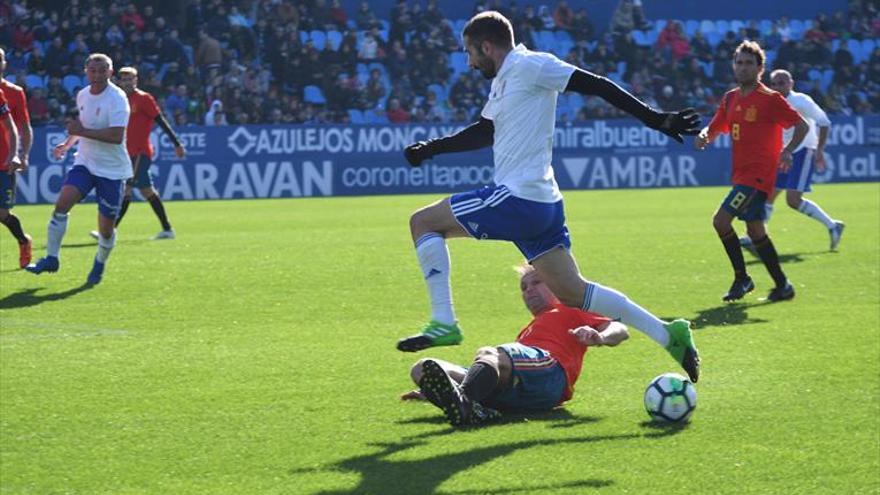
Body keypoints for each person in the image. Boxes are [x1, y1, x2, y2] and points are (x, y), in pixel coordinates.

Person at [396, 11, 701, 383]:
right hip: (540, 204)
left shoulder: (531, 65)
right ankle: (669, 335)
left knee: (423, 222)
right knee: (573, 293)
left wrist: (653, 118)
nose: (469, 62)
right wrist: (432, 148)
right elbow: (485, 131)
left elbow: (597, 85)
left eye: (470, 53)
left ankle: (443, 321)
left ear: (487, 46)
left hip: (519, 197)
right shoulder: (504, 80)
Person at [402, 264, 630, 427]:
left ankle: (464, 403)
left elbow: (620, 330)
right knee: (421, 367)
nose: (528, 290)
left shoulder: (572, 307)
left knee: (489, 353)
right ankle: (468, 403)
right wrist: (433, 388)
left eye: (536, 282)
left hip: (551, 372)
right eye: (524, 287)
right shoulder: (528, 331)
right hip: (519, 389)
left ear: (556, 284)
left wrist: (599, 337)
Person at [695, 41, 809, 303]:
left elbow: (800, 126)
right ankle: (783, 286)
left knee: (720, 221)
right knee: (756, 230)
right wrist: (703, 136)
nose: (743, 67)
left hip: (757, 177)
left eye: (749, 63)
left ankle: (741, 278)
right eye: (739, 62)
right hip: (741, 174)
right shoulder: (730, 98)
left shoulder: (770, 99)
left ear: (760, 68)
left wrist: (788, 150)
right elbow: (713, 128)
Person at [26, 53, 132, 285]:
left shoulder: (117, 98)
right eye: (93, 70)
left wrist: (81, 133)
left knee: (105, 230)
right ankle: (52, 258)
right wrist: (68, 143)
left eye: (102, 70)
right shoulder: (83, 95)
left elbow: (116, 136)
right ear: (86, 71)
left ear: (110, 72)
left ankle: (100, 263)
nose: (97, 74)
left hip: (112, 170)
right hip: (85, 161)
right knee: (62, 204)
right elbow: (83, 127)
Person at [739, 69, 844, 252]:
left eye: (782, 82)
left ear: (791, 83)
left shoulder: (801, 101)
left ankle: (833, 225)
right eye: (775, 84)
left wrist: (819, 150)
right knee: (768, 194)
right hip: (783, 154)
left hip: (803, 152)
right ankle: (753, 237)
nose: (778, 87)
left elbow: (824, 122)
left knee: (793, 200)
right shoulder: (770, 102)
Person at [88, 67, 185, 241]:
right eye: (124, 79)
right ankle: (167, 229)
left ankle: (109, 231)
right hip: (125, 153)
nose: (127, 82)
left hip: (140, 152)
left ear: (136, 81)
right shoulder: (118, 99)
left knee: (126, 190)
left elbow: (160, 121)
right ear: (119, 81)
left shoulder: (143, 99)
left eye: (130, 79)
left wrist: (176, 143)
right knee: (148, 191)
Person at [0, 47, 31, 268]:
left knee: (2, 214)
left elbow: (22, 127)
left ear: (4, 63)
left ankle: (23, 240)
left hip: (4, 161)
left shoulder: (13, 92)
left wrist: (22, 155)